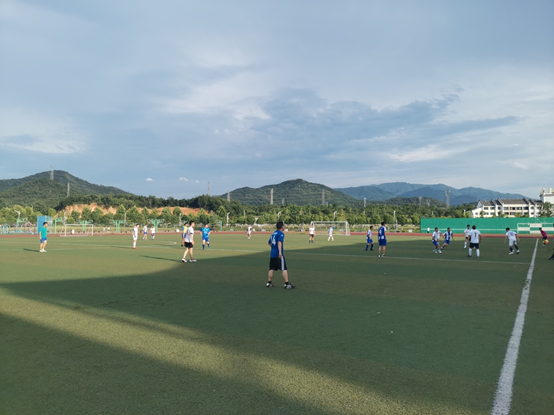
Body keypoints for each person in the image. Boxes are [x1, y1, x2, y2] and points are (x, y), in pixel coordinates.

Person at [267, 221, 295, 289]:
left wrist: (274, 248)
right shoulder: (281, 234)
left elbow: (269, 243)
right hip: (278, 254)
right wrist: (280, 252)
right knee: (284, 268)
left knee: (272, 268)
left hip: (272, 254)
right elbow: (279, 242)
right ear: (282, 227)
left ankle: (269, 282)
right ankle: (286, 284)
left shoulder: (273, 233)